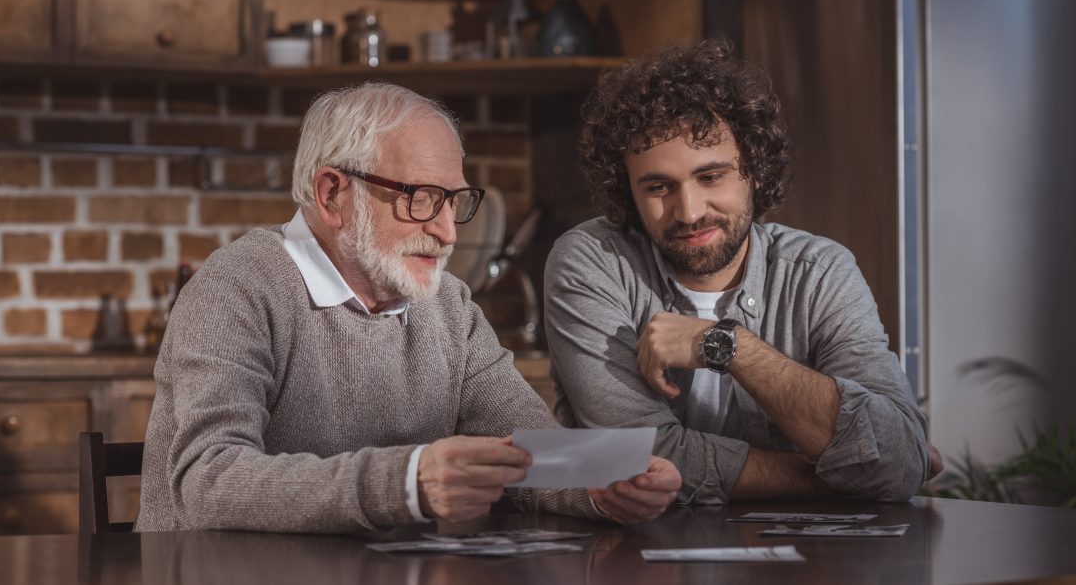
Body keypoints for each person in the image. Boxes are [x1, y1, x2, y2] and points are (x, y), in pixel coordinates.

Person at [135, 82, 680, 533]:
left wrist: (604, 481)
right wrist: (406, 480)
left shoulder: (447, 305)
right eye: (420, 198)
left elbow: (530, 446)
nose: (446, 233)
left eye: (454, 201)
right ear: (331, 195)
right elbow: (208, 481)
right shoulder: (236, 288)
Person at [544, 40, 940, 505]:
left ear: (752, 168)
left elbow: (896, 458)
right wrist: (838, 475)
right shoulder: (592, 262)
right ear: (627, 192)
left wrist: (730, 346)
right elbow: (631, 457)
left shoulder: (819, 271)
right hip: (627, 558)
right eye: (658, 187)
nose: (689, 212)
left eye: (711, 177)